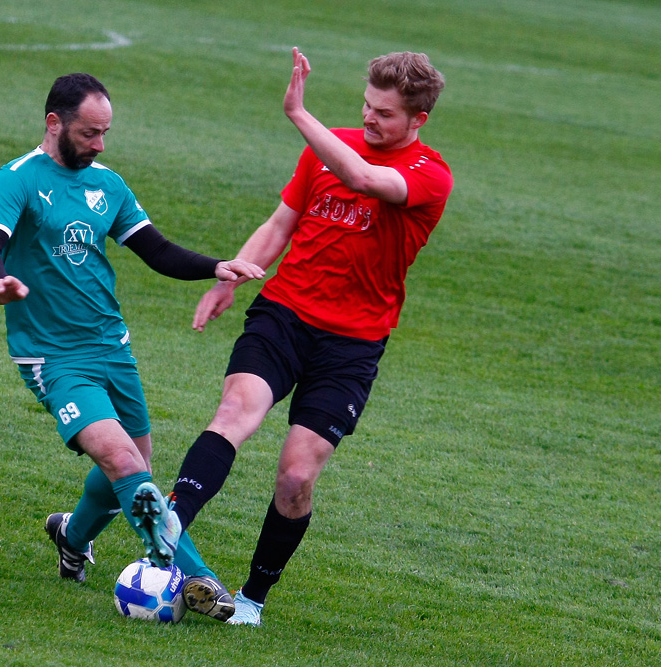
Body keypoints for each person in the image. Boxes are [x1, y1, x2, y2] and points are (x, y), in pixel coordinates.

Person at [160, 48, 454, 626]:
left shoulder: (427, 175)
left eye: (386, 114)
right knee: (234, 412)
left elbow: (363, 178)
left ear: (418, 120)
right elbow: (281, 224)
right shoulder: (326, 148)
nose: (370, 119)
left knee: (296, 477)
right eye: (367, 107)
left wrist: (298, 112)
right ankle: (166, 529)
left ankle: (251, 600)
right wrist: (232, 274)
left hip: (352, 345)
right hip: (283, 315)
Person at [0, 72, 264, 622]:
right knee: (126, 461)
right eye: (88, 132)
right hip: (53, 356)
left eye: (105, 132)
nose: (99, 144)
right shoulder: (15, 181)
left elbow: (154, 249)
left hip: (112, 346)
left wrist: (213, 267)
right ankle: (197, 578)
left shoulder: (109, 184)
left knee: (131, 469)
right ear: (54, 123)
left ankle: (72, 537)